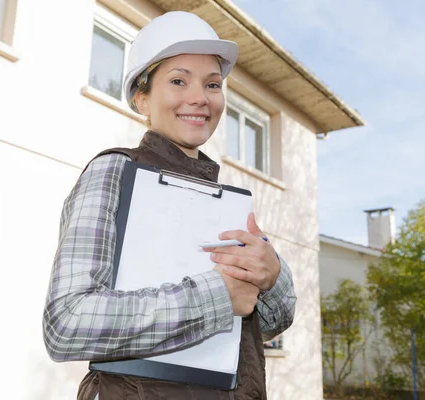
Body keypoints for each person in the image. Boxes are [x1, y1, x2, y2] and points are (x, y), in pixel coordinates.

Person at [42, 11, 297, 400]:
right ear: (141, 98)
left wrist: (272, 275)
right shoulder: (116, 171)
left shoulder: (223, 201)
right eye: (179, 81)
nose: (199, 97)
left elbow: (270, 323)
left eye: (213, 84)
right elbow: (67, 323)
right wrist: (216, 297)